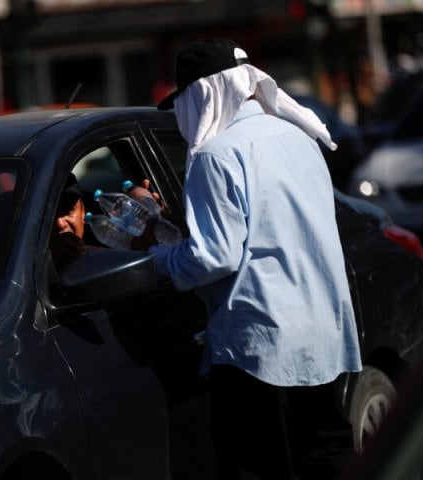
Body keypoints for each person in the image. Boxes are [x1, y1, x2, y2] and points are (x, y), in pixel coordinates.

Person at [136, 38, 362, 479]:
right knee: (326, 459)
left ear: (202, 94)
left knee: (259, 467)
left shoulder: (216, 154)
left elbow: (213, 258)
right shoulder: (297, 133)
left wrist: (156, 257)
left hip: (260, 347)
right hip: (322, 332)